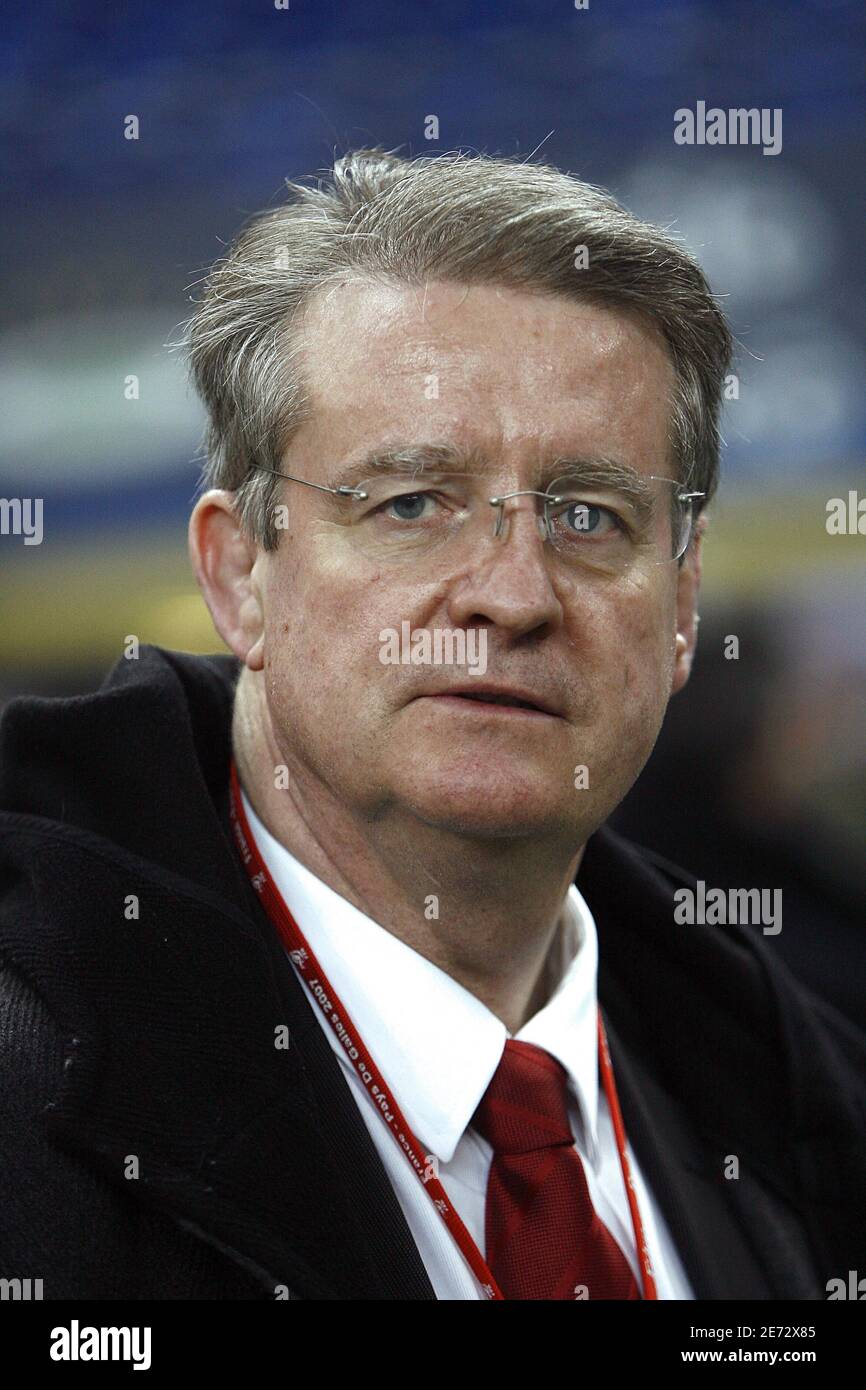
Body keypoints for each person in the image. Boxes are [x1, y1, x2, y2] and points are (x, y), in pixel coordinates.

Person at [1, 149, 863, 1301]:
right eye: (410, 503)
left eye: (588, 515)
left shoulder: (808, 1104)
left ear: (681, 605)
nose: (510, 594)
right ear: (240, 573)